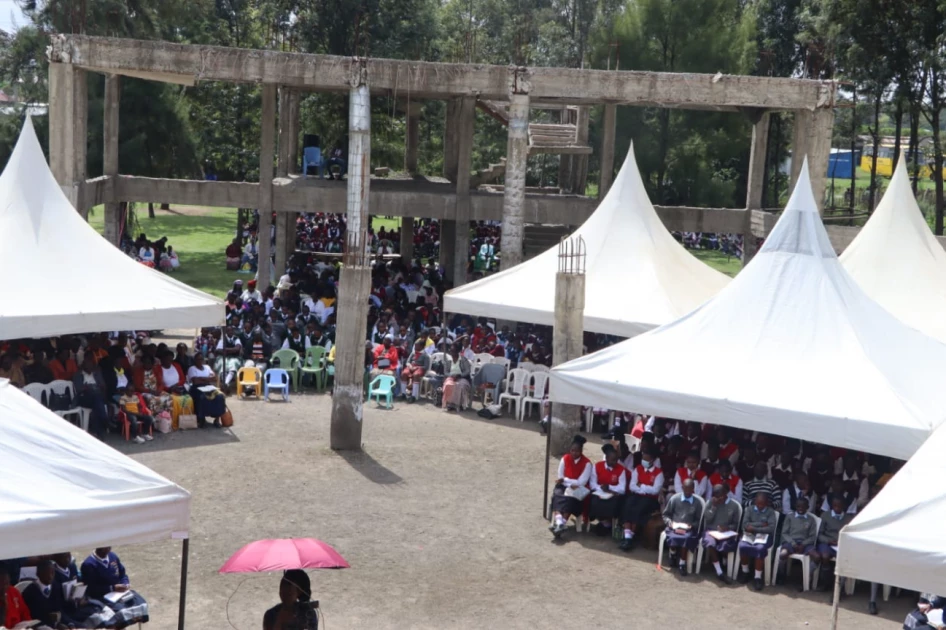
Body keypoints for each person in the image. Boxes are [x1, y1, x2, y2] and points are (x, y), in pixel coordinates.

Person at [619, 446, 663, 551]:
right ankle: (628, 536)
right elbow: (632, 486)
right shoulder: (638, 469)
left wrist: (641, 485)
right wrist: (645, 489)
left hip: (650, 499)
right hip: (637, 495)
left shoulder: (658, 473)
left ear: (652, 460)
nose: (644, 461)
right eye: (643, 459)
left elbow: (655, 490)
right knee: (628, 504)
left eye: (646, 460)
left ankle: (630, 536)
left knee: (640, 508)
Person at [549, 435, 591, 538]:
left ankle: (560, 524)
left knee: (570, 499)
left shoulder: (587, 464)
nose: (574, 453)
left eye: (577, 451)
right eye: (572, 450)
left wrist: (566, 480)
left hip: (578, 490)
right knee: (557, 495)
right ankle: (560, 524)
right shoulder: (565, 458)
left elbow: (581, 482)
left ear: (581, 451)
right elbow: (560, 476)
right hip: (563, 486)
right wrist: (569, 482)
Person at [775, 497, 819, 589]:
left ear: (808, 507)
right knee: (783, 554)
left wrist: (803, 544)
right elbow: (784, 533)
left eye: (803, 507)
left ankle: (806, 578)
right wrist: (793, 543)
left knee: (816, 557)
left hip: (805, 543)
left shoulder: (811, 520)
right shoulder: (789, 517)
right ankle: (781, 575)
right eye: (798, 506)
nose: (800, 509)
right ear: (795, 506)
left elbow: (812, 537)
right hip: (790, 542)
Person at [662, 479, 703, 576]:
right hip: (674, 527)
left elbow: (699, 520)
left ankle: (682, 563)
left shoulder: (697, 503)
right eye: (685, 489)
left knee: (686, 539)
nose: (687, 492)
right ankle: (673, 553)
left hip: (689, 529)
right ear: (682, 488)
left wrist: (692, 525)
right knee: (672, 536)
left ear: (693, 489)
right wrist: (670, 523)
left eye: (690, 490)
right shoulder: (675, 499)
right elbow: (666, 515)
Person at [737, 491, 777, 591]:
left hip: (764, 536)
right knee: (742, 546)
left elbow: (770, 528)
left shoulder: (770, 512)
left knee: (759, 548)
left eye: (762, 504)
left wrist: (754, 527)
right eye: (758, 503)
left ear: (766, 503)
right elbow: (744, 525)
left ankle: (757, 577)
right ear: (755, 501)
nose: (759, 506)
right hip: (750, 535)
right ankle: (745, 571)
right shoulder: (749, 509)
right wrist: (762, 524)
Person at [701, 483, 741, 583]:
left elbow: (735, 524)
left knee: (725, 544)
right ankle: (719, 572)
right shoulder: (711, 502)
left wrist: (727, 528)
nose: (719, 499)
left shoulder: (734, 505)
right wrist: (714, 507)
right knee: (710, 543)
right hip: (711, 531)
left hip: (726, 532)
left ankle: (724, 562)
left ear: (725, 493)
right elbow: (707, 519)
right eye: (716, 496)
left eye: (720, 496)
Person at [813, 496, 854, 591]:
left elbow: (849, 535)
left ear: (844, 507)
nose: (837, 508)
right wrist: (828, 541)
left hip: (841, 544)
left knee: (845, 558)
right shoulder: (825, 515)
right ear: (832, 506)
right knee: (825, 556)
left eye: (839, 506)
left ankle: (841, 586)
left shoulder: (848, 518)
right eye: (835, 506)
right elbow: (819, 534)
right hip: (827, 543)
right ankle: (825, 583)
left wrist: (841, 542)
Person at [588, 443, 627, 536]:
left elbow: (622, 488)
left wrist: (609, 487)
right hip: (599, 493)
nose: (615, 462)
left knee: (614, 503)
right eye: (612, 460)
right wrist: (601, 488)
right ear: (606, 458)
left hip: (613, 494)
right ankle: (604, 522)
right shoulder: (597, 466)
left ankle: (608, 523)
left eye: (616, 460)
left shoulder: (621, 469)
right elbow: (592, 483)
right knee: (594, 502)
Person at [21, 559, 72, 629]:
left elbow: (60, 610)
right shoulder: (29, 592)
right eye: (46, 574)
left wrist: (69, 624)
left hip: (57, 624)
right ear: (38, 574)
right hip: (39, 626)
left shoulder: (56, 586)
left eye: (52, 573)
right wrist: (54, 624)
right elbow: (32, 617)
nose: (50, 576)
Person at [71, 355, 109, 439]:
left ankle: (99, 432)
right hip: (84, 397)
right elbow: (78, 389)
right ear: (83, 366)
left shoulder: (96, 374)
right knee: (97, 400)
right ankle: (105, 419)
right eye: (87, 365)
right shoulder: (78, 375)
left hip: (96, 396)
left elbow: (104, 386)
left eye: (91, 365)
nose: (89, 367)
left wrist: (100, 386)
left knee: (96, 404)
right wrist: (86, 388)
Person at [187, 352, 226, 428]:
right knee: (202, 397)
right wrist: (208, 379)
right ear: (195, 360)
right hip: (197, 388)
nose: (200, 361)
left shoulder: (207, 367)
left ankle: (217, 419)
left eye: (201, 359)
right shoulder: (192, 369)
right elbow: (195, 381)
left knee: (220, 396)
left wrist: (202, 378)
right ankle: (201, 419)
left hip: (209, 387)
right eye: (198, 359)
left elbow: (214, 378)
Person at [441, 345, 472, 411]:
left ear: (458, 351)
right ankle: (450, 403)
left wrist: (460, 375)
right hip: (451, 377)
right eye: (451, 351)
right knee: (448, 385)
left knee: (460, 386)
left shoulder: (463, 360)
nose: (452, 352)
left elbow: (467, 371)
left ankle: (459, 404)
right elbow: (445, 372)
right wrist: (451, 375)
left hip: (462, 378)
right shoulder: (448, 360)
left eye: (454, 351)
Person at [215, 325, 244, 394]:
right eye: (228, 331)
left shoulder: (236, 338)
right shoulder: (222, 339)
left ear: (233, 331)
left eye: (231, 330)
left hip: (234, 357)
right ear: (226, 332)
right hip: (223, 357)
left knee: (233, 364)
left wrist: (225, 349)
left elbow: (237, 348)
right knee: (223, 364)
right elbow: (218, 350)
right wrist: (232, 350)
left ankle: (225, 384)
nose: (230, 332)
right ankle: (226, 385)